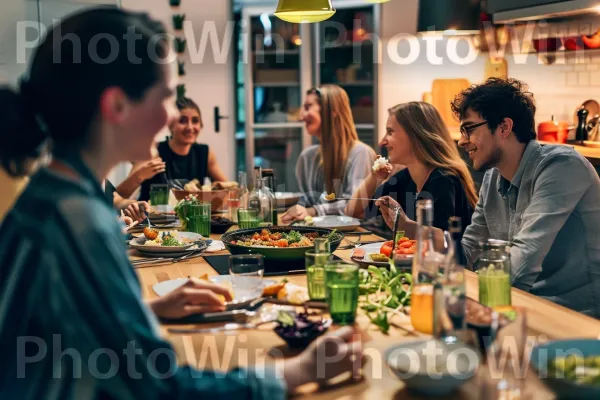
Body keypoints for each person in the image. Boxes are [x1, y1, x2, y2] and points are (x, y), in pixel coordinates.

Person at [0, 8, 362, 398]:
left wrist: (146, 313)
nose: (174, 116)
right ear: (117, 106)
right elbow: (162, 388)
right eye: (168, 97)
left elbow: (64, 329)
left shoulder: (50, 195)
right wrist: (299, 370)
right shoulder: (80, 221)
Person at [380, 78, 600, 317]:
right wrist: (410, 228)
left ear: (504, 127)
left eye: (469, 129)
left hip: (576, 317)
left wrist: (458, 300)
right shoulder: (493, 177)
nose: (462, 141)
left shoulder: (561, 167)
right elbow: (468, 250)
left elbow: (521, 264)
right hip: (521, 306)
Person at [359, 102, 477, 235]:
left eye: (390, 132)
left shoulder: (444, 181)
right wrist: (374, 176)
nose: (382, 142)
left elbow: (442, 246)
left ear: (415, 135)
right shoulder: (405, 176)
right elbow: (358, 212)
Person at [281, 85, 376, 223]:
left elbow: (355, 205)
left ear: (332, 111)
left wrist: (314, 211)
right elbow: (306, 199)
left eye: (308, 107)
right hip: (318, 232)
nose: (301, 116)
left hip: (358, 235)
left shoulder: (361, 153)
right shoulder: (307, 157)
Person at [137, 97, 228, 201]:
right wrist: (139, 175)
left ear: (201, 125)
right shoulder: (153, 151)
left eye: (195, 121)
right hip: (151, 216)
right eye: (182, 121)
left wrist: (214, 190)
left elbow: (229, 190)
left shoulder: (204, 153)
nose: (190, 127)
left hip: (189, 217)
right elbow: (119, 196)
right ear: (170, 125)